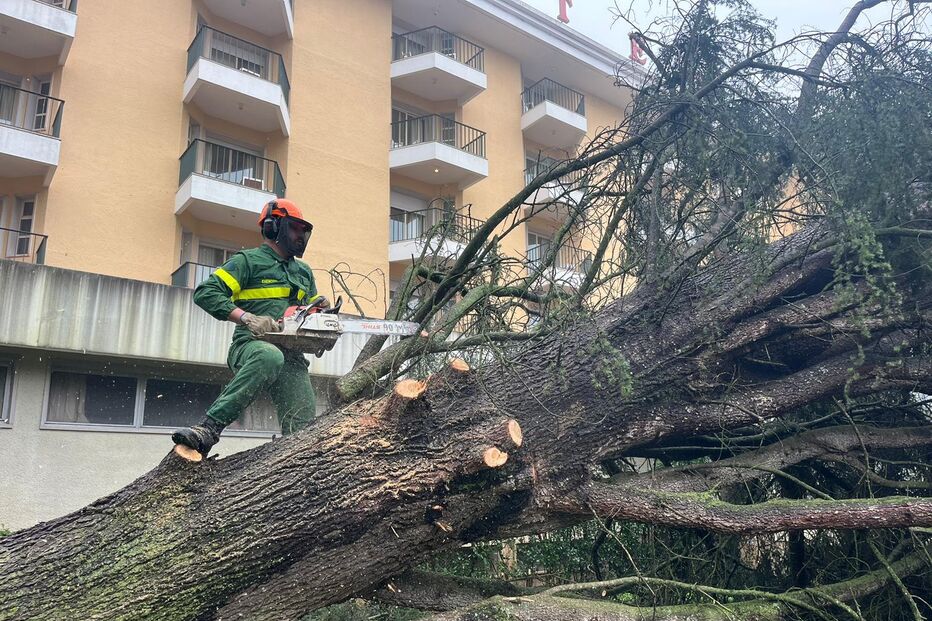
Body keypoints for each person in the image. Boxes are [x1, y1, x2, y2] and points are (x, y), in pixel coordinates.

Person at [172, 198, 326, 456]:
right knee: (269, 355)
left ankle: (296, 463)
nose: (300, 235)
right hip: (251, 345)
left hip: (292, 356)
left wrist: (320, 316)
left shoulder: (303, 272)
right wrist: (246, 318)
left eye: (303, 230)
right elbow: (205, 292)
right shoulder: (248, 261)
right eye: (294, 228)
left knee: (304, 432)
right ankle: (208, 430)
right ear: (273, 227)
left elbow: (308, 313)